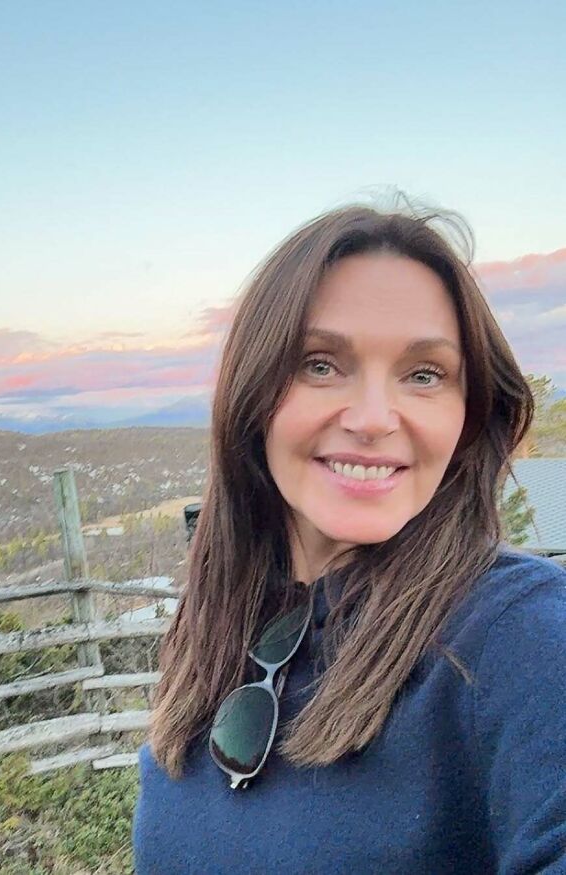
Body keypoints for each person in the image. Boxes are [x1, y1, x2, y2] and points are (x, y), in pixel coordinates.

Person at [131, 196, 566, 873]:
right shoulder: (214, 637)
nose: (371, 418)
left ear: (468, 416)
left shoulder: (520, 636)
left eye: (424, 374)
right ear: (254, 395)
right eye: (320, 363)